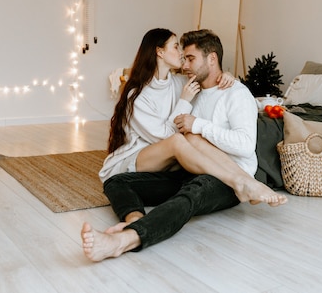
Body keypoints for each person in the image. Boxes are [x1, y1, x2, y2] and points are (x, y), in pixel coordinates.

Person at [81, 29, 287, 261]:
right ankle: (135, 219)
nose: (184, 63)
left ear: (211, 59)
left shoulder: (235, 94)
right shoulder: (191, 88)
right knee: (116, 181)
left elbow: (246, 146)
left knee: (188, 196)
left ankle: (124, 240)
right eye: (181, 53)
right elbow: (170, 133)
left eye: (190, 58)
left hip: (226, 175)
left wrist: (199, 122)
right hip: (189, 166)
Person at [98, 28, 283, 205]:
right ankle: (239, 182)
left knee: (190, 139)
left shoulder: (181, 82)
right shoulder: (138, 96)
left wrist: (228, 76)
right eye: (176, 47)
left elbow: (208, 76)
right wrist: (184, 101)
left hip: (170, 160)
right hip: (141, 156)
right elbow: (165, 137)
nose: (181, 56)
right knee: (181, 140)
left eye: (187, 56)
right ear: (159, 52)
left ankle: (243, 181)